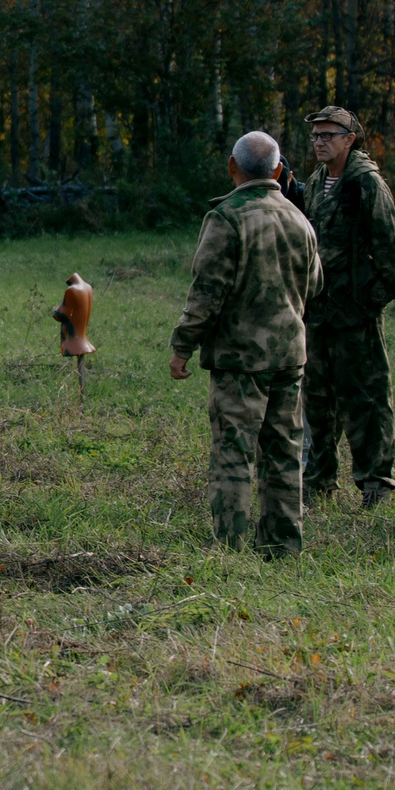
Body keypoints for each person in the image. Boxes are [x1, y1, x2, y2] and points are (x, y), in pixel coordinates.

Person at [168, 131, 321, 556]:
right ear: (277, 170)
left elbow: (206, 294)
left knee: (234, 454)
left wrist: (183, 347)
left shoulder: (227, 219)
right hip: (289, 358)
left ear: (232, 168)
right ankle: (283, 543)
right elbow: (315, 285)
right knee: (284, 452)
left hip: (239, 361)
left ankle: (231, 547)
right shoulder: (299, 220)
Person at [297, 107, 395, 510]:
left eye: (328, 135)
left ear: (350, 138)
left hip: (355, 314)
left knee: (366, 399)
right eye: (315, 136)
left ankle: (375, 482)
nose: (320, 142)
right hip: (318, 312)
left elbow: (392, 257)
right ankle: (320, 479)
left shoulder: (366, 184)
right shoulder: (314, 183)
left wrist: (368, 303)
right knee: (318, 399)